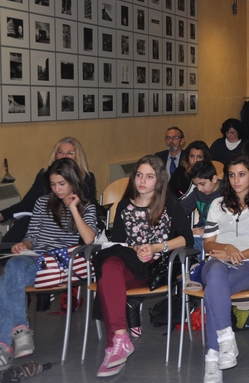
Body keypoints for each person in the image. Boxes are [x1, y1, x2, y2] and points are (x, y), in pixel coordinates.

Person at [92, 155, 192, 378]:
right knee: (108, 264)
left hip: (154, 267)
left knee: (107, 276)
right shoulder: (124, 206)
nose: (142, 181)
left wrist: (156, 248)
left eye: (149, 176)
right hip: (129, 261)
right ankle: (120, 338)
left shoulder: (168, 203)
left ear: (159, 179)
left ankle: (115, 347)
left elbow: (187, 238)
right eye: (139, 175)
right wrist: (135, 248)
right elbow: (119, 242)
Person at [0, 159, 97, 369]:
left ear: (72, 181)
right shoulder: (42, 202)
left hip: (60, 263)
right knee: (11, 268)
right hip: (35, 257)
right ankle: (19, 332)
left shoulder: (86, 206)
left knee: (5, 279)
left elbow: (89, 239)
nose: (57, 189)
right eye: (53, 184)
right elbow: (32, 235)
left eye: (61, 183)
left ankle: (5, 344)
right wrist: (22, 245)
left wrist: (73, 208)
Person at [201, 154, 249, 383]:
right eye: (231, 175)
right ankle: (225, 339)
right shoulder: (217, 204)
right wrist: (226, 247)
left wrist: (237, 254)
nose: (236, 180)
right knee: (214, 274)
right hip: (217, 262)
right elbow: (208, 243)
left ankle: (212, 358)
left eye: (241, 174)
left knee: (213, 290)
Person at [0, 137, 97, 244]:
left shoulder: (87, 178)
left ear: (78, 157)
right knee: (24, 223)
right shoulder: (44, 175)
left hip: (71, 226)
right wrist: (3, 214)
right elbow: (27, 203)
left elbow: (88, 206)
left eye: (70, 153)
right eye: (60, 152)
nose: (64, 156)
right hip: (43, 225)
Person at [182, 161, 223, 251]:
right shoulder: (197, 192)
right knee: (183, 241)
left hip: (220, 233)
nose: (199, 188)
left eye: (202, 184)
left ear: (214, 179)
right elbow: (182, 209)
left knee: (199, 243)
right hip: (201, 229)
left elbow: (230, 225)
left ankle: (201, 264)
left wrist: (206, 232)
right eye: (196, 185)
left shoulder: (226, 193)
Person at [154, 126, 187, 196]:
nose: (171, 141)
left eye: (175, 138)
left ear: (182, 141)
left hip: (182, 194)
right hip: (162, 194)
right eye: (168, 138)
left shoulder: (187, 158)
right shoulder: (159, 157)